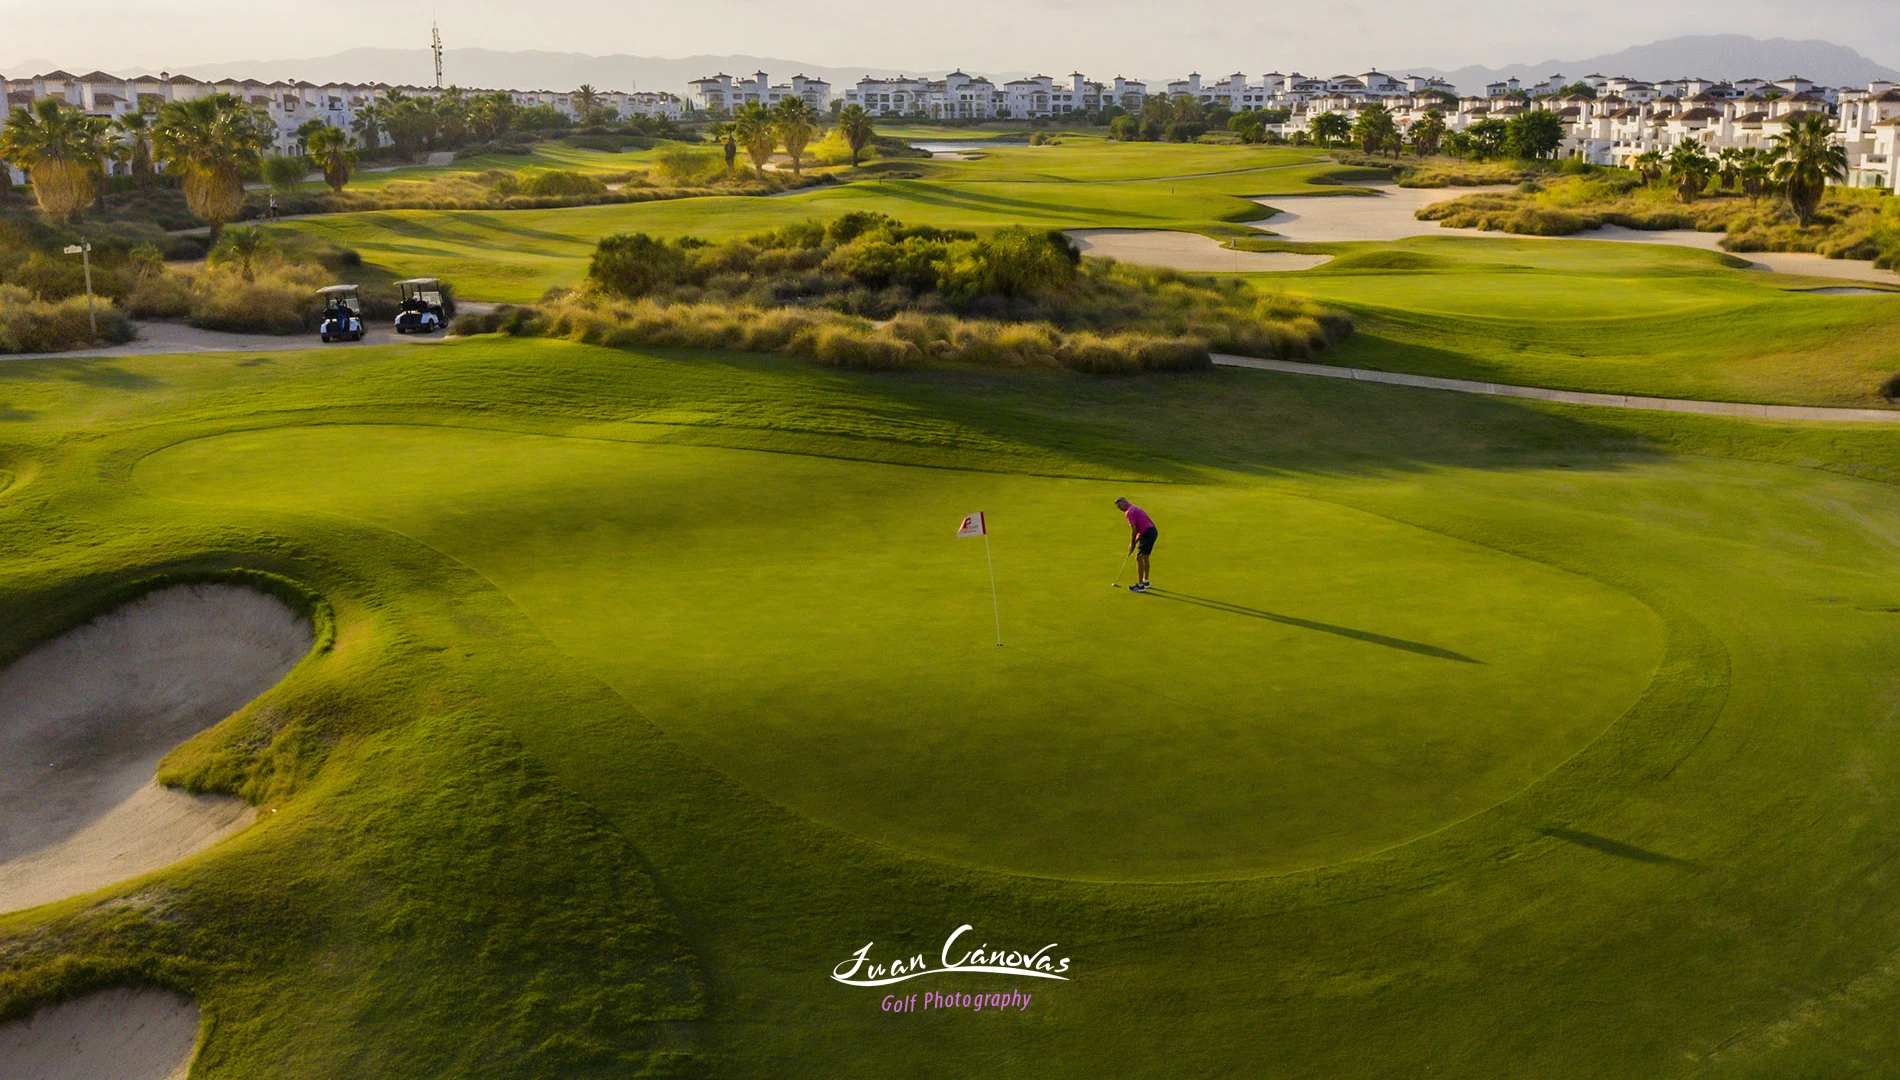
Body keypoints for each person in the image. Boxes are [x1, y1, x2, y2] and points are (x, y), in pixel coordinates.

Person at [1115, 498, 1158, 592]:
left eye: (1120, 506)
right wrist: (1134, 543)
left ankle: (1140, 585)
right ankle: (1145, 582)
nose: (1120, 509)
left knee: (1139, 558)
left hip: (1147, 533)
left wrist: (1132, 543)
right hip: (1153, 532)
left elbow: (1134, 530)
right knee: (1145, 557)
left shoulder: (1129, 512)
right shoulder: (1135, 508)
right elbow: (1140, 530)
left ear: (1124, 502)